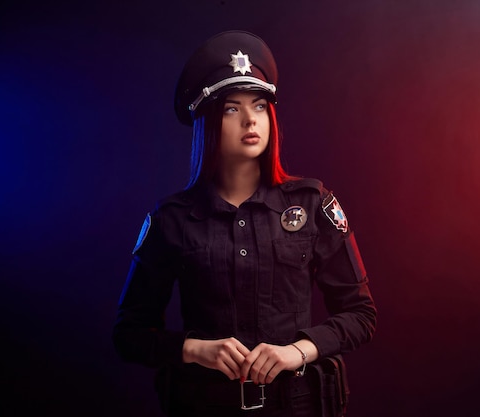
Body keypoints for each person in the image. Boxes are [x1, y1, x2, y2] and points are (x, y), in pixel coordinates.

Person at [113, 30, 377, 417]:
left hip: (298, 408)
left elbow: (361, 315)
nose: (250, 120)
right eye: (232, 108)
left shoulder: (313, 204)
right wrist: (193, 349)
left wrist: (296, 351)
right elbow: (128, 334)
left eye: (258, 105)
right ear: (207, 121)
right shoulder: (171, 219)